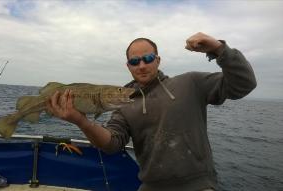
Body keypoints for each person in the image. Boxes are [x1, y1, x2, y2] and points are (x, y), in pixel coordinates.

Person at [46, 32, 257, 191]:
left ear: (157, 60)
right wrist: (82, 122)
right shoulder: (123, 102)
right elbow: (111, 144)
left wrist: (219, 48)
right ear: (128, 66)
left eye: (147, 59)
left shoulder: (190, 83)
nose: (142, 66)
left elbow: (243, 84)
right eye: (134, 61)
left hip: (199, 186)